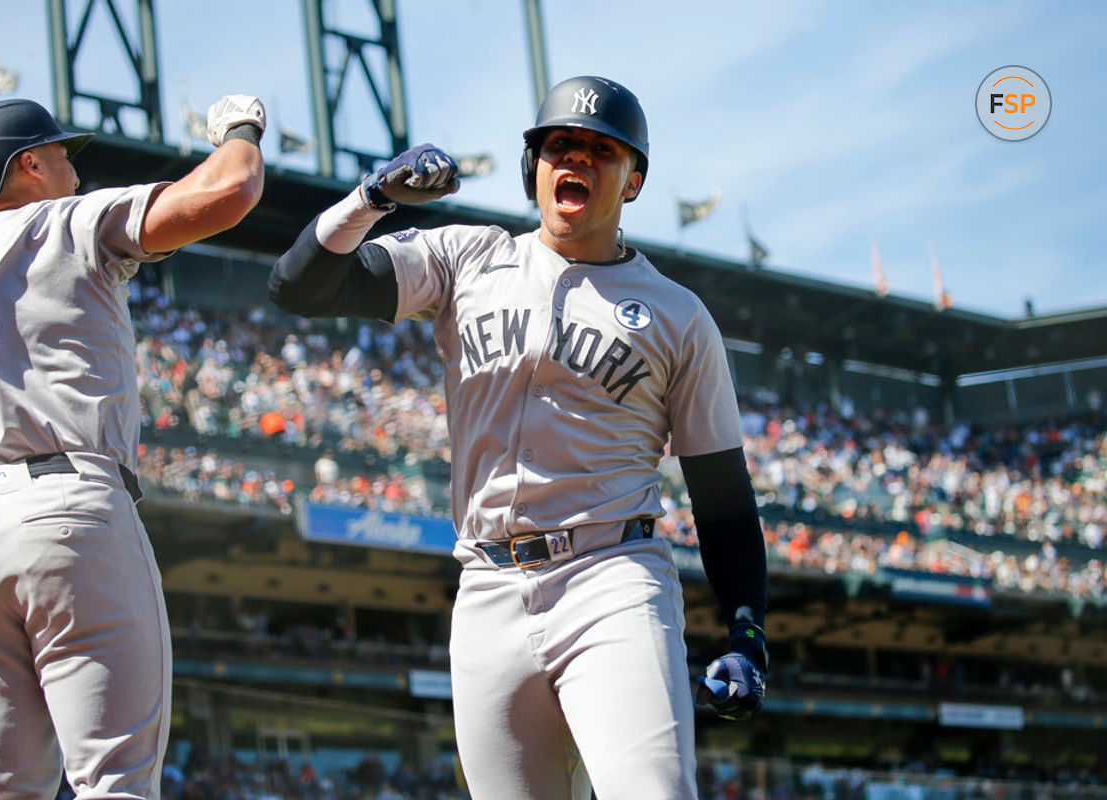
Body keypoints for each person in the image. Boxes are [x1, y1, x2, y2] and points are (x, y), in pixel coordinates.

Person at [267, 75, 767, 799]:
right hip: (487, 590)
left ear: (632, 182)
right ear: (534, 165)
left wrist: (749, 634)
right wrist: (371, 198)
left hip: (612, 579)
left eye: (602, 150)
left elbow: (723, 499)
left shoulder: (679, 316)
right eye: (560, 144)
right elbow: (299, 286)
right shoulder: (466, 258)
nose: (577, 159)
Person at [0, 94, 266, 798]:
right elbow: (230, 189)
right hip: (70, 510)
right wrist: (240, 130)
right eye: (61, 154)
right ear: (28, 165)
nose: (73, 167)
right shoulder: (64, 220)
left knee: (4, 789)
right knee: (115, 784)